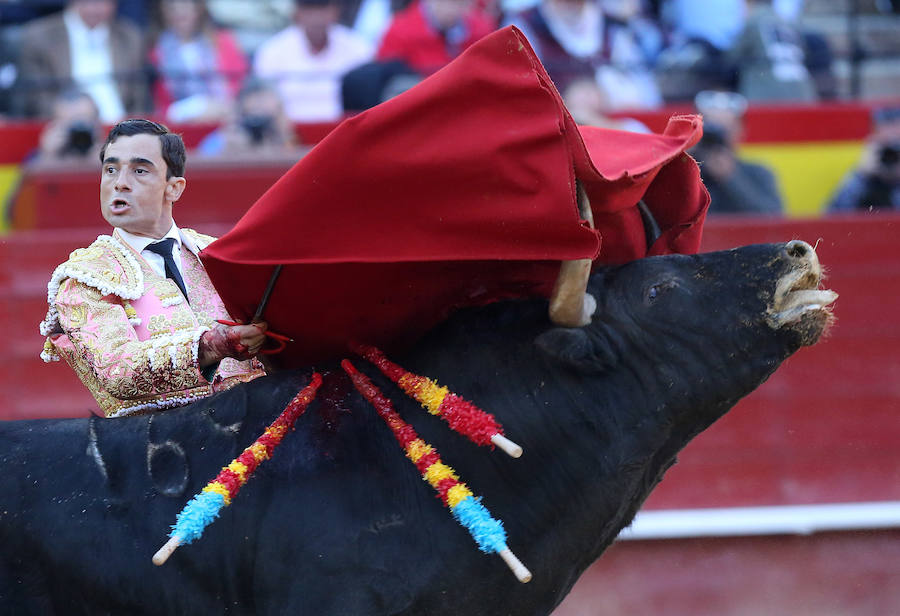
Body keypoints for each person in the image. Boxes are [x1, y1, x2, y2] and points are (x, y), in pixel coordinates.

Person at [39, 119, 268, 418]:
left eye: (139, 170)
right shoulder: (85, 278)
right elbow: (118, 371)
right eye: (110, 169)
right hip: (153, 451)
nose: (119, 182)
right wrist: (212, 346)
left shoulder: (220, 255)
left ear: (173, 188)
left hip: (255, 432)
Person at [17, 0, 149, 122]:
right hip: (64, 129)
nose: (95, 7)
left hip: (121, 131)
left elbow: (139, 98)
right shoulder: (39, 36)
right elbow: (35, 95)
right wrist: (60, 111)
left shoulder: (130, 37)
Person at [253, 0, 374, 122]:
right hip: (288, 133)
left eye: (322, 8)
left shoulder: (358, 48)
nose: (317, 17)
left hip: (346, 130)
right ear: (297, 12)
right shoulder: (272, 51)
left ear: (336, 11)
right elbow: (263, 101)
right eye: (309, 9)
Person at [149, 0, 249, 124]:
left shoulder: (223, 42)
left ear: (198, 9)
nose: (179, 11)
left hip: (227, 117)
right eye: (172, 7)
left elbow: (241, 86)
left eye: (185, 6)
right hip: (182, 125)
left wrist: (222, 107)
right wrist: (194, 108)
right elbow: (162, 106)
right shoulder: (158, 52)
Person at [690, 89, 784, 215]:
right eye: (710, 129)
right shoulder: (687, 173)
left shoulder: (758, 173)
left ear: (740, 130)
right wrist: (685, 163)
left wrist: (731, 178)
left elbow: (773, 219)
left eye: (724, 129)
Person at [375, 0, 497, 76]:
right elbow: (385, 79)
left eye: (459, 2)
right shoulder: (399, 31)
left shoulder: (482, 31)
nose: (450, 9)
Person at [195, 79, 305, 157]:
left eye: (264, 120)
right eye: (252, 119)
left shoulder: (288, 137)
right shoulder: (220, 140)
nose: (257, 127)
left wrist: (280, 137)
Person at [827, 106, 900, 212]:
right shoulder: (865, 180)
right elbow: (833, 219)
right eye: (886, 146)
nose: (891, 156)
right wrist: (861, 175)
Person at [31, 89, 105, 163]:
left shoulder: (111, 153)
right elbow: (29, 172)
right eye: (70, 123)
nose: (79, 130)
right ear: (53, 126)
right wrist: (47, 154)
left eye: (84, 122)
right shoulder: (43, 154)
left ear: (97, 123)